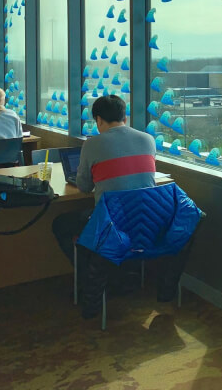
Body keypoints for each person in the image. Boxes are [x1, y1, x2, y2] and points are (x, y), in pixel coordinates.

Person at [52, 95, 171, 310]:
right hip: (148, 223)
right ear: (124, 116)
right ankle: (114, 273)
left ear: (98, 120)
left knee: (60, 224)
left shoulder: (93, 144)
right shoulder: (148, 139)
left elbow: (85, 186)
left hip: (111, 225)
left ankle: (89, 278)